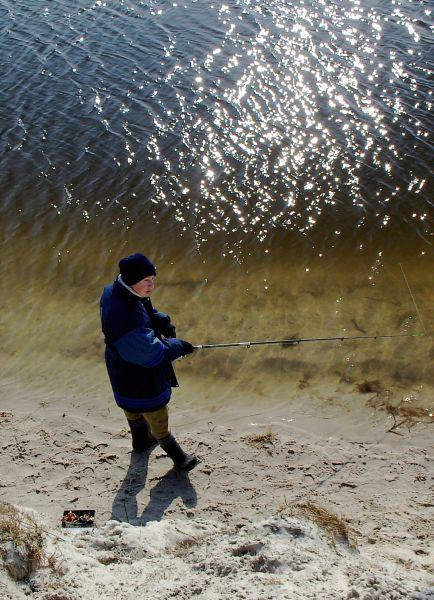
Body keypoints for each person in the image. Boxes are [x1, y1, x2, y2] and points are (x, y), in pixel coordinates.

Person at [100, 253, 198, 471]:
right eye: (146, 281)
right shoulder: (124, 318)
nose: (151, 285)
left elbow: (143, 309)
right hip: (139, 377)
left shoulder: (116, 290)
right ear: (132, 280)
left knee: (131, 409)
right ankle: (178, 457)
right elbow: (152, 354)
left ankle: (140, 441)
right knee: (157, 416)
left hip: (120, 369)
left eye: (153, 279)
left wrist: (160, 321)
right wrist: (179, 346)